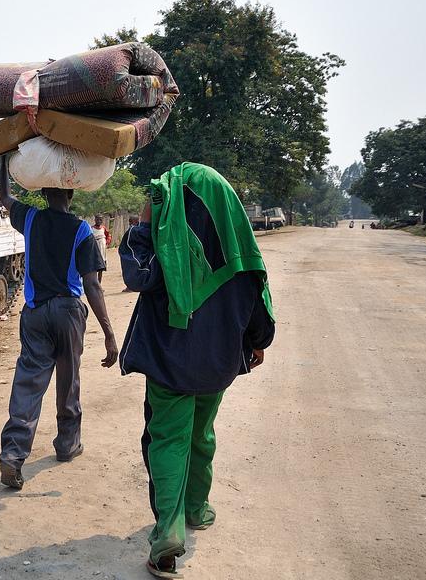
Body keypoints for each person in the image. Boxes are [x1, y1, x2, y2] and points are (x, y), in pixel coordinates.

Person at [117, 163, 276, 579]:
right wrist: (257, 343)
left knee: (169, 440)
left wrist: (145, 221)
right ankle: (197, 509)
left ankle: (168, 535)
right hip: (217, 365)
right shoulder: (241, 248)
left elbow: (136, 273)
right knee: (202, 434)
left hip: (169, 366)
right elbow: (260, 308)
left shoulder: (164, 244)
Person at [0, 155, 119, 490]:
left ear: (45, 193)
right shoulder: (81, 230)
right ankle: (66, 444)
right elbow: (92, 285)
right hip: (67, 313)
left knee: (28, 383)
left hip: (35, 313)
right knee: (68, 379)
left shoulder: (31, 219)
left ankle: (12, 454)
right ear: (71, 195)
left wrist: (3, 162)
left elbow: (5, 199)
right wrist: (109, 334)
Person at [91, 215, 112, 283]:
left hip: (102, 250)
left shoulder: (103, 228)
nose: (99, 221)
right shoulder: (92, 229)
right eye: (97, 220)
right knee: (94, 268)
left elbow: (108, 235)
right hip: (94, 250)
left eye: (100, 220)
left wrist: (107, 242)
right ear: (95, 220)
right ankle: (94, 284)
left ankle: (99, 284)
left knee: (101, 268)